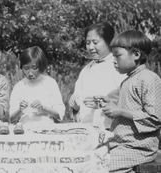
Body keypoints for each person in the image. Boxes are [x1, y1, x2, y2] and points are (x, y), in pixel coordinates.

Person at [100, 30, 161, 173]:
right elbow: (129, 108)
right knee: (88, 157)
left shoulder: (149, 79)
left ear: (136, 55)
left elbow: (155, 118)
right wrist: (111, 105)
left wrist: (120, 111)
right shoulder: (128, 80)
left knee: (100, 166)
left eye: (118, 55)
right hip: (121, 144)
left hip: (138, 148)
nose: (114, 61)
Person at [69, 22, 126, 129]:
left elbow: (126, 102)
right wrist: (75, 106)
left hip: (110, 128)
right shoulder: (86, 69)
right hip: (85, 129)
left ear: (109, 42)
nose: (90, 47)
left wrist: (101, 104)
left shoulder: (119, 66)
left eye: (95, 42)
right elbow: (77, 101)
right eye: (87, 43)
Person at [9, 46, 65, 125]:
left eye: (34, 68)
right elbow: (11, 118)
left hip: (47, 128)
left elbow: (59, 115)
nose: (30, 73)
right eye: (26, 68)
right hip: (24, 129)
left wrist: (43, 108)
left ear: (41, 66)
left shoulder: (50, 83)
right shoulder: (19, 87)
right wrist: (19, 110)